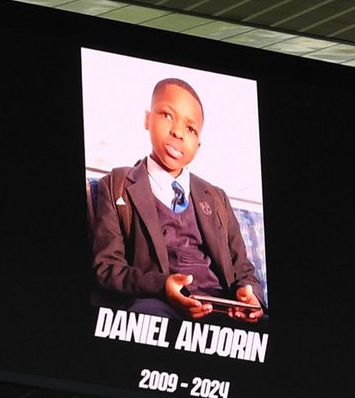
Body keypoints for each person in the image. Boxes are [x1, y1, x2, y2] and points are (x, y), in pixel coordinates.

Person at [91, 77, 264, 322]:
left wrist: (252, 298)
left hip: (219, 309)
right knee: (145, 317)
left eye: (190, 129)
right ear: (147, 119)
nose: (178, 132)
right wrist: (163, 286)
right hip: (159, 304)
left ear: (198, 145)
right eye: (167, 115)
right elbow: (107, 268)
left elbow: (243, 271)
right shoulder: (116, 184)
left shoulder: (216, 198)